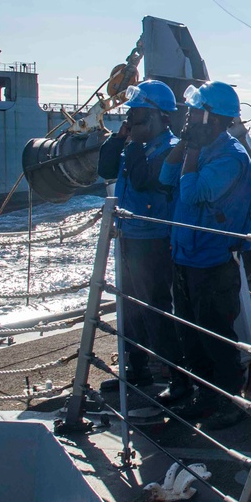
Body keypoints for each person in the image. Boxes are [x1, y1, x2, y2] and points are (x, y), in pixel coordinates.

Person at [159, 81, 251, 431]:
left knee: (216, 334)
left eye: (194, 111)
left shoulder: (231, 157)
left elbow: (193, 195)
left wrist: (194, 152)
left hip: (213, 261)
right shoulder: (200, 147)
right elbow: (165, 176)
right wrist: (186, 144)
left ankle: (230, 400)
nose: (188, 116)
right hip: (186, 254)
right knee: (190, 332)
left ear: (212, 118)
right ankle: (204, 396)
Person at [97, 80, 188, 404]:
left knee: (157, 311)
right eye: (130, 117)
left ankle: (179, 381)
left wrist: (133, 144)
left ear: (156, 118)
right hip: (129, 236)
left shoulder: (169, 150)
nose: (131, 122)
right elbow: (105, 168)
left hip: (154, 240)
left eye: (137, 117)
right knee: (130, 308)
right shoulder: (133, 144)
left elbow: (143, 180)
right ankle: (136, 369)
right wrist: (120, 137)